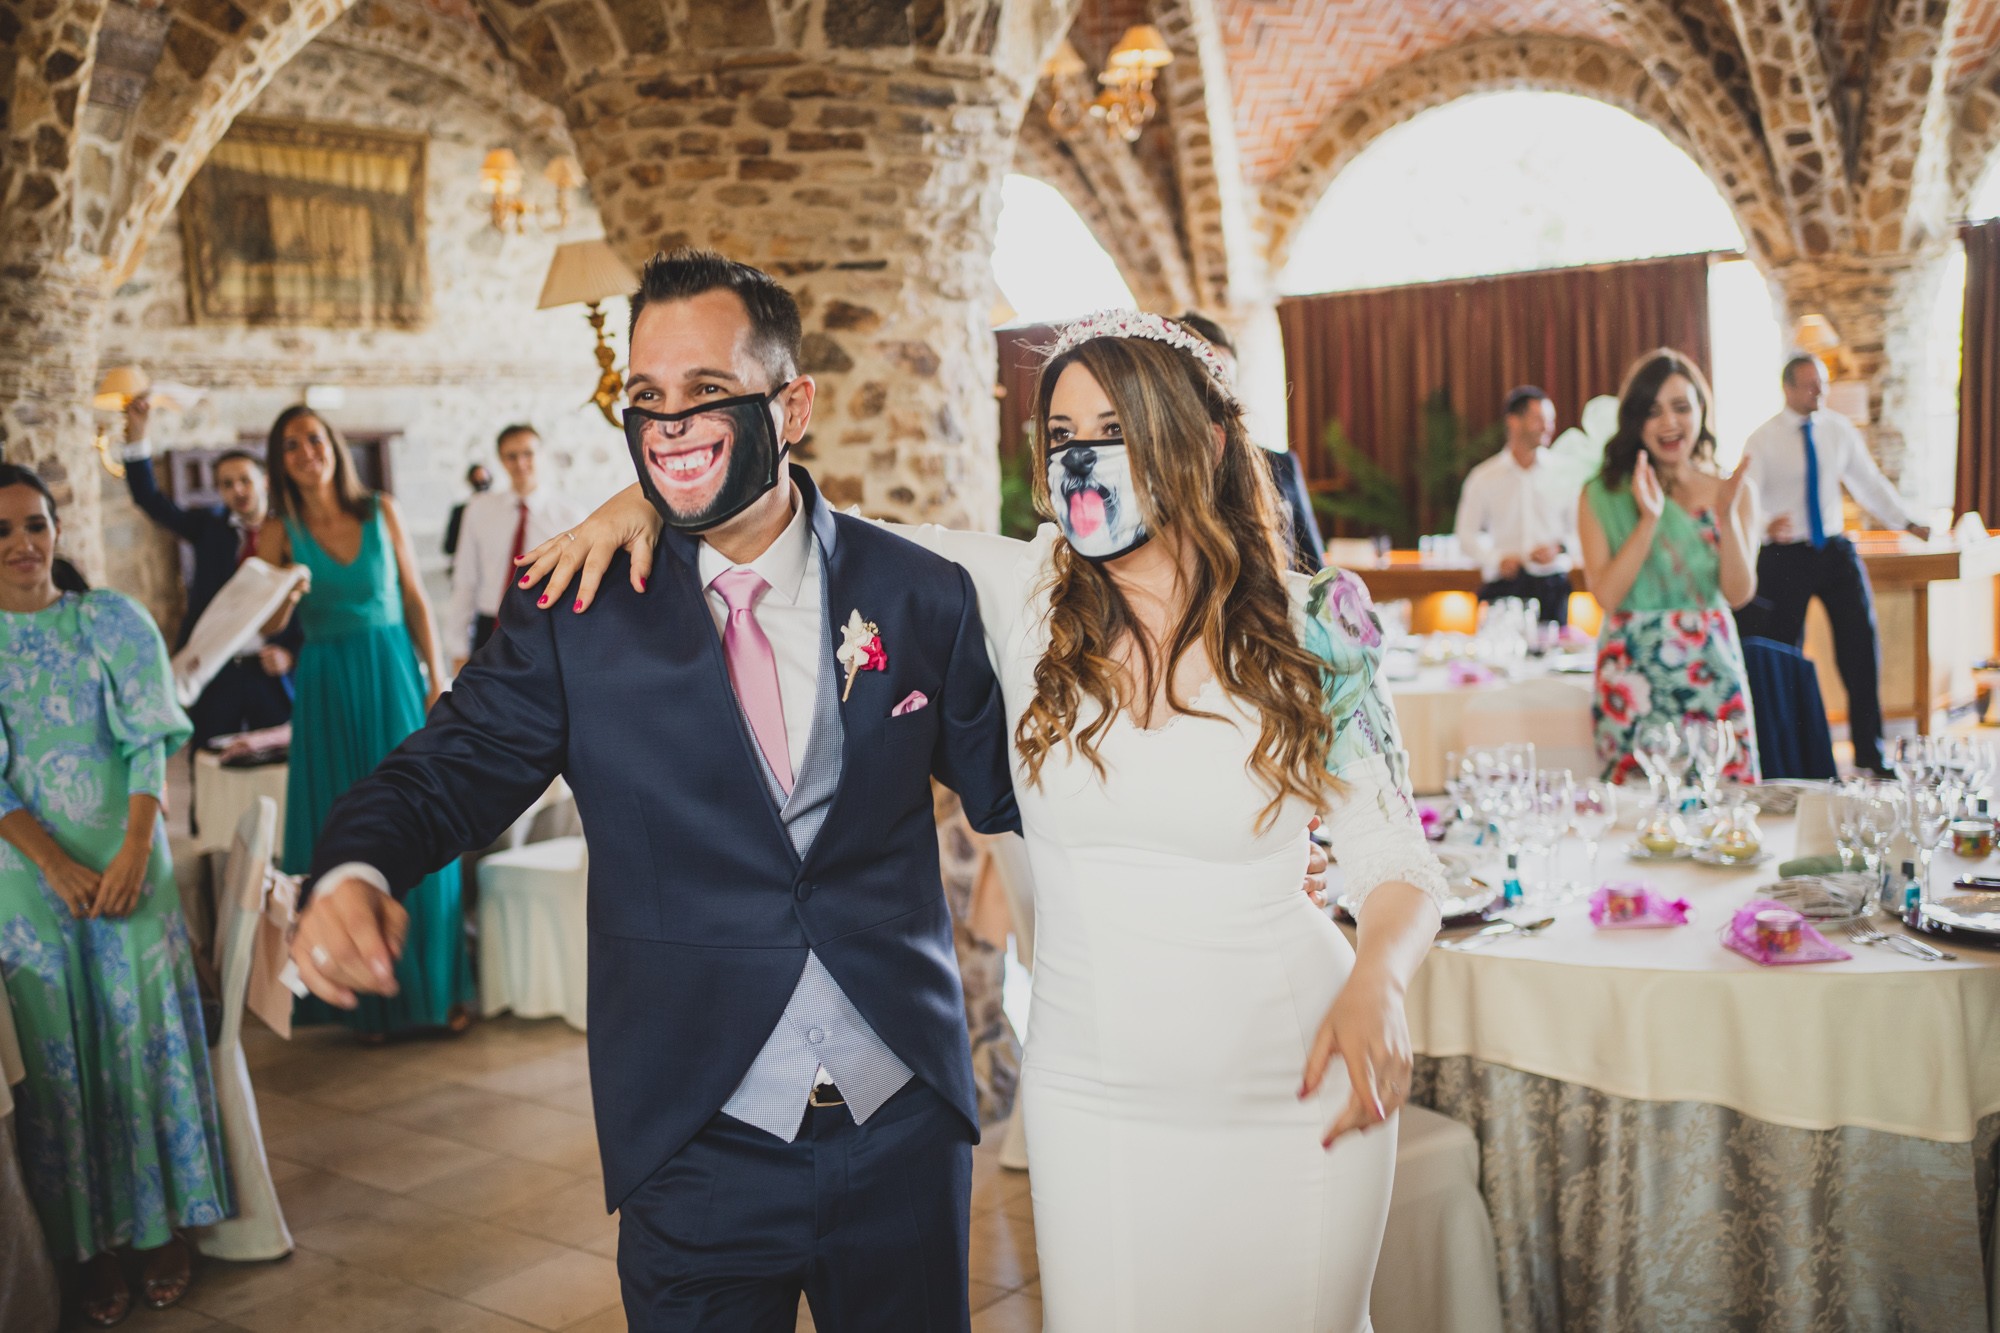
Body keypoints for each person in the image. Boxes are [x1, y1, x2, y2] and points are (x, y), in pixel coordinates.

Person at [508, 276, 1449, 1329]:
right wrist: (649, 495)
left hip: (1292, 1066)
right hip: (1094, 1091)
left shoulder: (1318, 621)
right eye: (1060, 433)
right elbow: (806, 517)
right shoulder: (1021, 596)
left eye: (1114, 428)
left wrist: (1379, 974)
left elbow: (1392, 857)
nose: (1080, 457)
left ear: (1206, 444)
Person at [287, 250, 1022, 1331]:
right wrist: (356, 865)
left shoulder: (915, 592)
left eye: (706, 392)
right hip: (694, 1143)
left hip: (903, 1127)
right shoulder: (577, 611)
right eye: (646, 398)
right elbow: (447, 766)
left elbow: (1023, 790)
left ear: (792, 403)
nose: (671, 425)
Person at [0, 464, 230, 1325]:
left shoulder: (109, 619)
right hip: (27, 877)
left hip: (132, 854)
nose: (24, 544)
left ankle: (160, 1228)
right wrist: (54, 867)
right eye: (5, 531)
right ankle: (85, 1247)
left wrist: (138, 845)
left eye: (35, 524)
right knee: (57, 1062)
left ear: (57, 530)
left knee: (145, 1043)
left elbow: (148, 739)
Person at [255, 407, 472, 1037]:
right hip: (326, 684)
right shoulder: (278, 529)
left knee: (423, 819)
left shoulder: (380, 509)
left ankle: (438, 990)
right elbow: (264, 626)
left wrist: (436, 680)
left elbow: (413, 598)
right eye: (290, 445)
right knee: (343, 830)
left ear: (333, 447)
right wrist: (285, 602)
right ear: (281, 460)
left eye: (314, 439)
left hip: (392, 675)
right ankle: (366, 1001)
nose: (305, 452)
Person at [1737, 355, 1931, 775]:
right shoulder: (1762, 439)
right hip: (1783, 553)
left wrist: (1907, 521)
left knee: (1861, 648)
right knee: (1785, 655)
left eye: (1822, 384)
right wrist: (1764, 523)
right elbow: (1742, 498)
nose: (1819, 393)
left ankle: (1869, 753)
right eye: (1810, 386)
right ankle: (1791, 756)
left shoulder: (1838, 431)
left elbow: (1868, 482)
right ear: (1788, 388)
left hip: (1834, 550)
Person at [1578, 349, 1761, 785]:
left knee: (1722, 810)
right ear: (1635, 420)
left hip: (1710, 665)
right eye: (1653, 411)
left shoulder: (1731, 491)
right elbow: (1605, 596)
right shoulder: (1600, 495)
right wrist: (1649, 520)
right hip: (1631, 670)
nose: (1669, 423)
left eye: (1681, 407)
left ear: (1701, 411)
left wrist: (1727, 515)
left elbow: (1738, 594)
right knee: (1636, 823)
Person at [119, 397, 298, 751]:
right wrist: (137, 436)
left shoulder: (293, 534)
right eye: (227, 484)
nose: (237, 491)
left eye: (244, 480)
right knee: (209, 763)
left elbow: (310, 603)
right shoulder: (209, 528)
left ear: (263, 481)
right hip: (215, 670)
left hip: (272, 670)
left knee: (282, 767)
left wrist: (293, 655)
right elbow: (150, 499)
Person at [1176, 310, 1325, 574]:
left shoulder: (1280, 464)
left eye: (1225, 380)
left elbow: (1314, 567)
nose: (1218, 393)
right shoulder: (1154, 474)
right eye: (1205, 380)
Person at [445, 425, 583, 670]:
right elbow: (465, 579)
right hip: (491, 626)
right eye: (511, 456)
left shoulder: (569, 516)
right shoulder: (479, 510)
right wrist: (457, 647)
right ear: (501, 460)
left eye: (528, 453)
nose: (521, 463)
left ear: (541, 455)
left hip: (545, 626)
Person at [1454, 385, 1578, 625]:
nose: (1547, 428)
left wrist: (1558, 548)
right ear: (1513, 422)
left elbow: (1579, 532)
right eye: (1539, 420)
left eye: (1550, 421)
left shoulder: (1564, 474)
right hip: (1504, 586)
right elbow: (1465, 535)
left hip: (1552, 585)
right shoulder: (1483, 477)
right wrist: (1496, 558)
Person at [442, 461, 491, 568]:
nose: (481, 484)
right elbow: (449, 546)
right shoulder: (460, 510)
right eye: (477, 481)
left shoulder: (499, 509)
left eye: (484, 481)